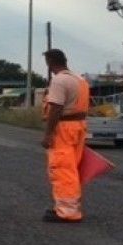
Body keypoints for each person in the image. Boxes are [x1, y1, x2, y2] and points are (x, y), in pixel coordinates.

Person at [40, 48, 90, 223]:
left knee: (62, 168)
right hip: (79, 126)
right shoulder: (80, 80)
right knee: (71, 168)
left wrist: (48, 134)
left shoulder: (59, 81)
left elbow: (56, 108)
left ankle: (67, 211)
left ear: (50, 62)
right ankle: (67, 206)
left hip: (64, 128)